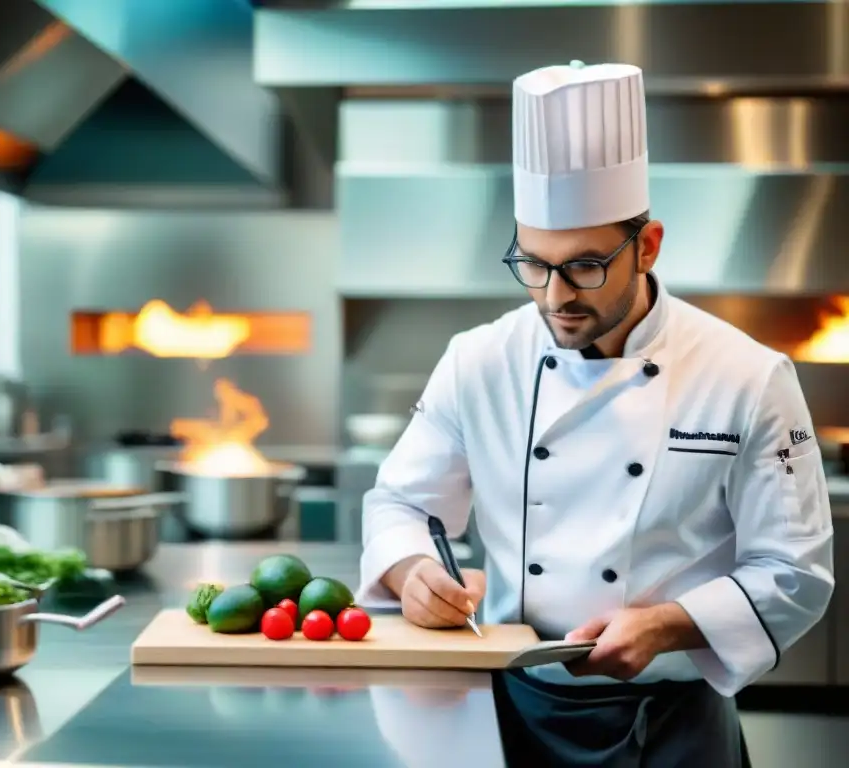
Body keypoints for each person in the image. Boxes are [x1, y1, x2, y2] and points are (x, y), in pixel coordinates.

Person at [356, 60, 835, 767]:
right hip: (510, 708)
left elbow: (795, 573)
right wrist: (413, 572)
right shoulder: (479, 360)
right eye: (534, 264)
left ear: (646, 246)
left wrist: (666, 625)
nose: (553, 297)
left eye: (583, 266)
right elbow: (399, 503)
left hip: (673, 724)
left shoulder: (746, 375)